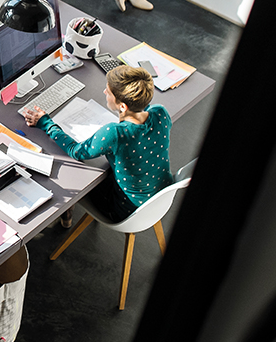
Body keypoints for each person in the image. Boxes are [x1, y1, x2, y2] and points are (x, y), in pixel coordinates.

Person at [24, 65, 173, 223]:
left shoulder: (115, 133)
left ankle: (66, 212)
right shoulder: (160, 113)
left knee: (75, 173)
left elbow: (76, 151)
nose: (104, 92)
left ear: (123, 106)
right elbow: (144, 116)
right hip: (160, 198)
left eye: (108, 91)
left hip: (126, 210)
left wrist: (46, 123)